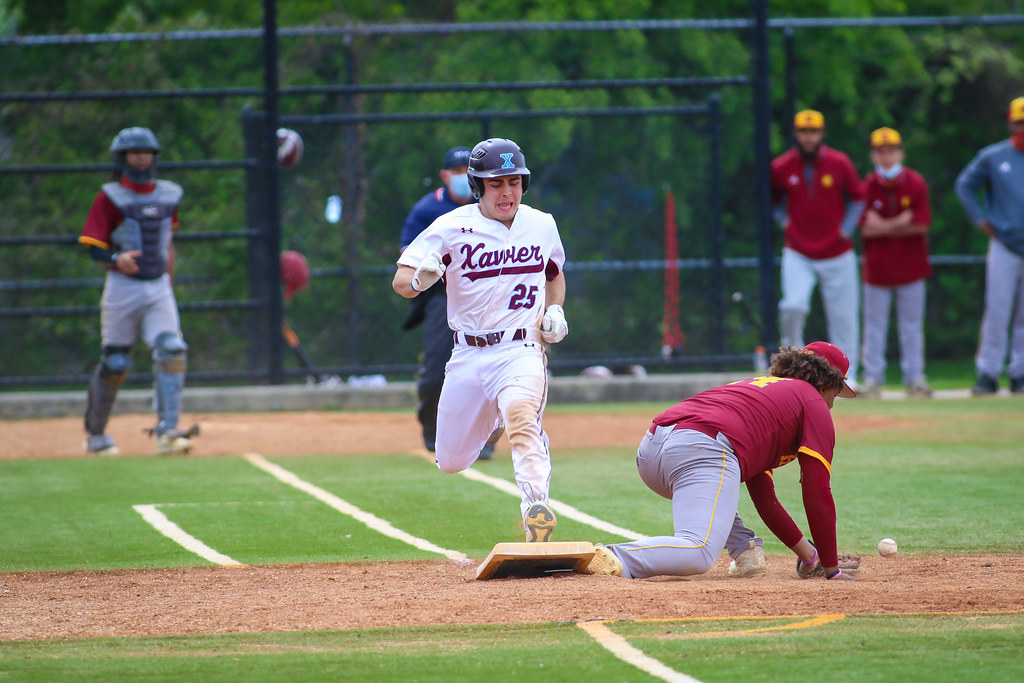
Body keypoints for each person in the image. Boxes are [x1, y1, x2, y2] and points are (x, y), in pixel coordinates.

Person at [392, 138, 568, 542]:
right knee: (450, 460)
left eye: (514, 182)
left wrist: (555, 310)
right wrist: (420, 280)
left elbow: (554, 275)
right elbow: (401, 280)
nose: (507, 192)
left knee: (524, 419)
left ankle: (536, 511)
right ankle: (496, 411)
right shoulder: (451, 226)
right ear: (477, 186)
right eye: (496, 184)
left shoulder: (542, 224)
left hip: (521, 348)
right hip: (469, 353)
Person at [582, 342, 858, 581]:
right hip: (700, 450)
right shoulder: (812, 402)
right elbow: (817, 491)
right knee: (699, 552)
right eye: (835, 393)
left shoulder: (764, 393)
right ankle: (613, 556)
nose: (832, 404)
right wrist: (832, 567)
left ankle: (745, 549)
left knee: (720, 486)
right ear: (825, 382)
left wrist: (811, 558)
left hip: (652, 451)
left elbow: (765, 498)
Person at [78, 127, 194, 456]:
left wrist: (167, 286)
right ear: (123, 158)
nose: (142, 158)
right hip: (122, 287)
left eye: (147, 152)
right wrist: (116, 258)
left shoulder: (169, 195)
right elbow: (94, 247)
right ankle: (96, 434)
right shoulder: (110, 197)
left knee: (172, 350)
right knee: (116, 362)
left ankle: (168, 431)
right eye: (135, 152)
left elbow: (166, 244)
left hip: (157, 286)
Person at [399, 146, 501, 460]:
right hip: (440, 300)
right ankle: (432, 433)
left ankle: (484, 439)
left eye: (466, 171)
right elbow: (406, 258)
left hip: (485, 300)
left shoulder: (488, 206)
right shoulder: (427, 210)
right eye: (455, 171)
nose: (461, 177)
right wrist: (423, 272)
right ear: (445, 176)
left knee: (493, 372)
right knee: (434, 375)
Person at [772, 110, 865, 387]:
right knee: (793, 305)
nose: (808, 137)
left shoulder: (839, 162)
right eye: (803, 131)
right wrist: (785, 222)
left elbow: (858, 199)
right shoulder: (782, 166)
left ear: (822, 133)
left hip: (838, 253)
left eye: (813, 132)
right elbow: (773, 201)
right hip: (798, 251)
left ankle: (848, 379)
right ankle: (793, 373)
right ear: (796, 133)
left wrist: (845, 230)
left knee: (844, 317)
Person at [955, 97, 1024, 396]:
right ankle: (988, 372)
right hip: (1004, 243)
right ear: (1010, 123)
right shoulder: (994, 156)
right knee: (997, 309)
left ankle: (1020, 372)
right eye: (1019, 122)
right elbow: (965, 185)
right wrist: (981, 220)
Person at [858, 127, 934, 399]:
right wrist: (900, 222)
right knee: (874, 326)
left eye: (891, 151)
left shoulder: (914, 182)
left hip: (911, 268)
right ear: (873, 156)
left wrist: (884, 226)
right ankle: (873, 380)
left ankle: (915, 379)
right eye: (881, 152)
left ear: (900, 153)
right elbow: (865, 229)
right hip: (877, 269)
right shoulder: (866, 186)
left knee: (912, 327)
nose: (886, 157)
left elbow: (921, 224)